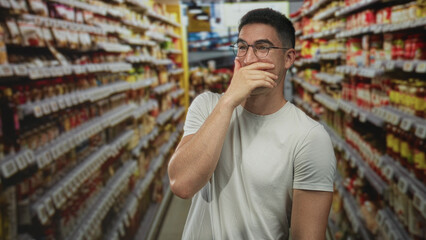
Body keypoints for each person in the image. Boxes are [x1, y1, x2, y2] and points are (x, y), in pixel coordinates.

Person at [168, 8, 336, 240]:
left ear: (288, 58)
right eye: (242, 47)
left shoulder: (309, 137)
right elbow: (182, 185)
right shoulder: (207, 106)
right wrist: (228, 101)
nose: (248, 58)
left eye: (262, 47)